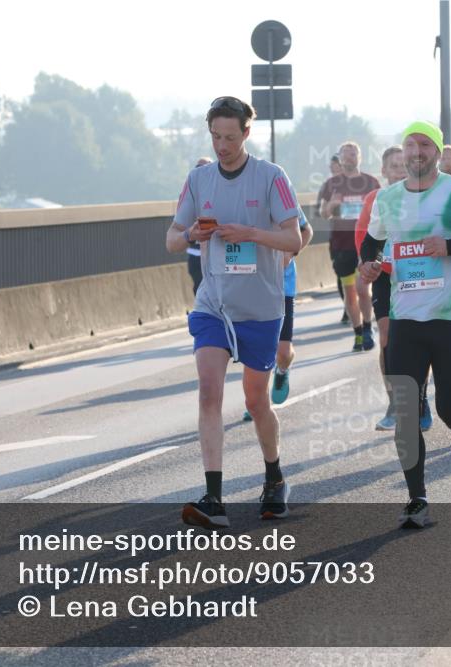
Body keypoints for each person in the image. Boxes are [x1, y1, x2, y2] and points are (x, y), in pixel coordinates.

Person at [359, 120, 451, 528]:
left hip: (450, 320)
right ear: (402, 153)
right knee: (406, 413)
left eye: (425, 144)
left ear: (438, 152)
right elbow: (372, 242)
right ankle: (417, 499)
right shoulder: (386, 200)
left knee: (450, 407)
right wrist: (369, 266)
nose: (417, 151)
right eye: (410, 145)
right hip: (406, 320)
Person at [167, 95, 302, 529]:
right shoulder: (199, 179)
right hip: (214, 304)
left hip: (260, 307)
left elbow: (294, 240)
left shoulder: (270, 178)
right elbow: (171, 238)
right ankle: (214, 496)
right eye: (215, 137)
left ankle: (274, 476)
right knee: (209, 390)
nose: (222, 145)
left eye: (230, 137)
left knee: (256, 400)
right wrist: (188, 232)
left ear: (247, 133)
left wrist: (250, 233)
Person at [355, 146, 433, 432]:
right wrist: (369, 264)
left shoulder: (424, 196)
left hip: (417, 273)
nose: (400, 171)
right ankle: (394, 404)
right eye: (394, 166)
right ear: (384, 172)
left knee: (418, 338)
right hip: (387, 276)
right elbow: (363, 236)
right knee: (388, 337)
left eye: (404, 165)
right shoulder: (375, 199)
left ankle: (420, 400)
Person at [242, 209, 314, 421]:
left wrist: (290, 253)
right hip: (251, 283)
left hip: (282, 285)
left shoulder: (282, 194)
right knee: (255, 349)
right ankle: (257, 402)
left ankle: (282, 371)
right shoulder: (239, 195)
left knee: (282, 352)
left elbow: (306, 230)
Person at [320, 142, 381, 351]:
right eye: (345, 155)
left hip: (366, 243)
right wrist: (332, 205)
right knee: (350, 291)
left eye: (353, 154)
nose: (349, 158)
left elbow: (382, 210)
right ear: (340, 158)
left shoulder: (371, 182)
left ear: (360, 157)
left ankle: (367, 326)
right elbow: (323, 214)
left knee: (363, 288)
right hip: (342, 244)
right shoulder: (332, 184)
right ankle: (357, 332)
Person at [318, 154, 349, 324]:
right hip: (338, 237)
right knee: (340, 275)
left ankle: (361, 306)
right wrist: (332, 205)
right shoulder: (328, 186)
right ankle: (347, 306)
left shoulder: (360, 183)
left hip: (359, 236)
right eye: (330, 167)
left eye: (334, 166)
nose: (332, 169)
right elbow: (322, 213)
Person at [186, 157, 215, 296]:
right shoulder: (189, 195)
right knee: (199, 290)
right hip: (195, 254)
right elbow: (180, 226)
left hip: (214, 255)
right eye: (198, 168)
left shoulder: (218, 193)